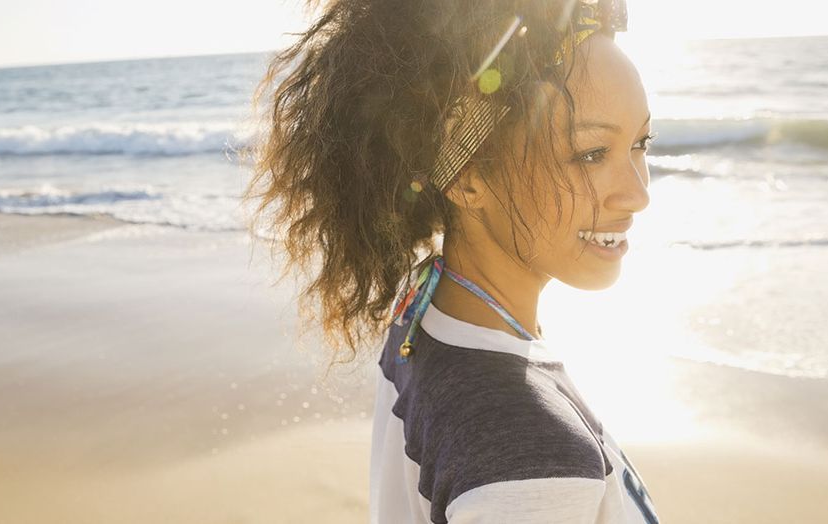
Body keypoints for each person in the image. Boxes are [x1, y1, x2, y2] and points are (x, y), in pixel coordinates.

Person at [243, 0, 660, 522]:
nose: (638, 194)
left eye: (642, 142)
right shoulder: (535, 471)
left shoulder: (423, 304)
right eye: (591, 153)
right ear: (466, 177)